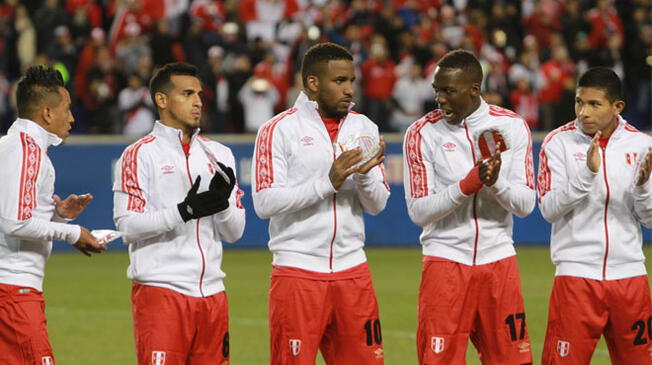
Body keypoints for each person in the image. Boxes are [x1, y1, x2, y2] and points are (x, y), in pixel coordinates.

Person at [252, 42, 389, 364]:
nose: (349, 90)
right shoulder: (278, 130)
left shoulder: (364, 127)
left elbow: (377, 204)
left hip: (353, 270)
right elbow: (264, 202)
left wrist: (367, 176)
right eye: (339, 81)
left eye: (351, 81)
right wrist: (328, 183)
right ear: (313, 83)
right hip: (298, 271)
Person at [403, 49, 535, 365]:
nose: (440, 99)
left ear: (474, 89)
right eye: (437, 91)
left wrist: (495, 182)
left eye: (449, 91)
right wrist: (467, 185)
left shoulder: (512, 126)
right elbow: (418, 211)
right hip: (445, 262)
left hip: (498, 261)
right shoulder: (420, 133)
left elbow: (526, 205)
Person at [112, 62, 245, 365]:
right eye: (187, 94)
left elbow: (235, 232)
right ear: (162, 100)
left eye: (199, 94)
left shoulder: (219, 155)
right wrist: (185, 211)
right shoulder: (138, 154)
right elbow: (128, 226)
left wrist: (221, 205)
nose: (198, 101)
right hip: (162, 293)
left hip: (213, 293)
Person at [538, 67, 652, 364]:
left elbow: (649, 218)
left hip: (630, 277)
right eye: (579, 102)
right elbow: (549, 209)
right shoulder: (557, 143)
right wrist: (586, 175)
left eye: (593, 104)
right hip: (576, 278)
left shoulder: (641, 145)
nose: (583, 112)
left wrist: (642, 188)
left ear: (617, 107)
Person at [0, 65, 105, 364]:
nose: (72, 118)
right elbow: (13, 221)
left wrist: (57, 216)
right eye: (68, 109)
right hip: (13, 294)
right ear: (47, 113)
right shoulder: (26, 150)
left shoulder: (11, 147)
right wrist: (73, 233)